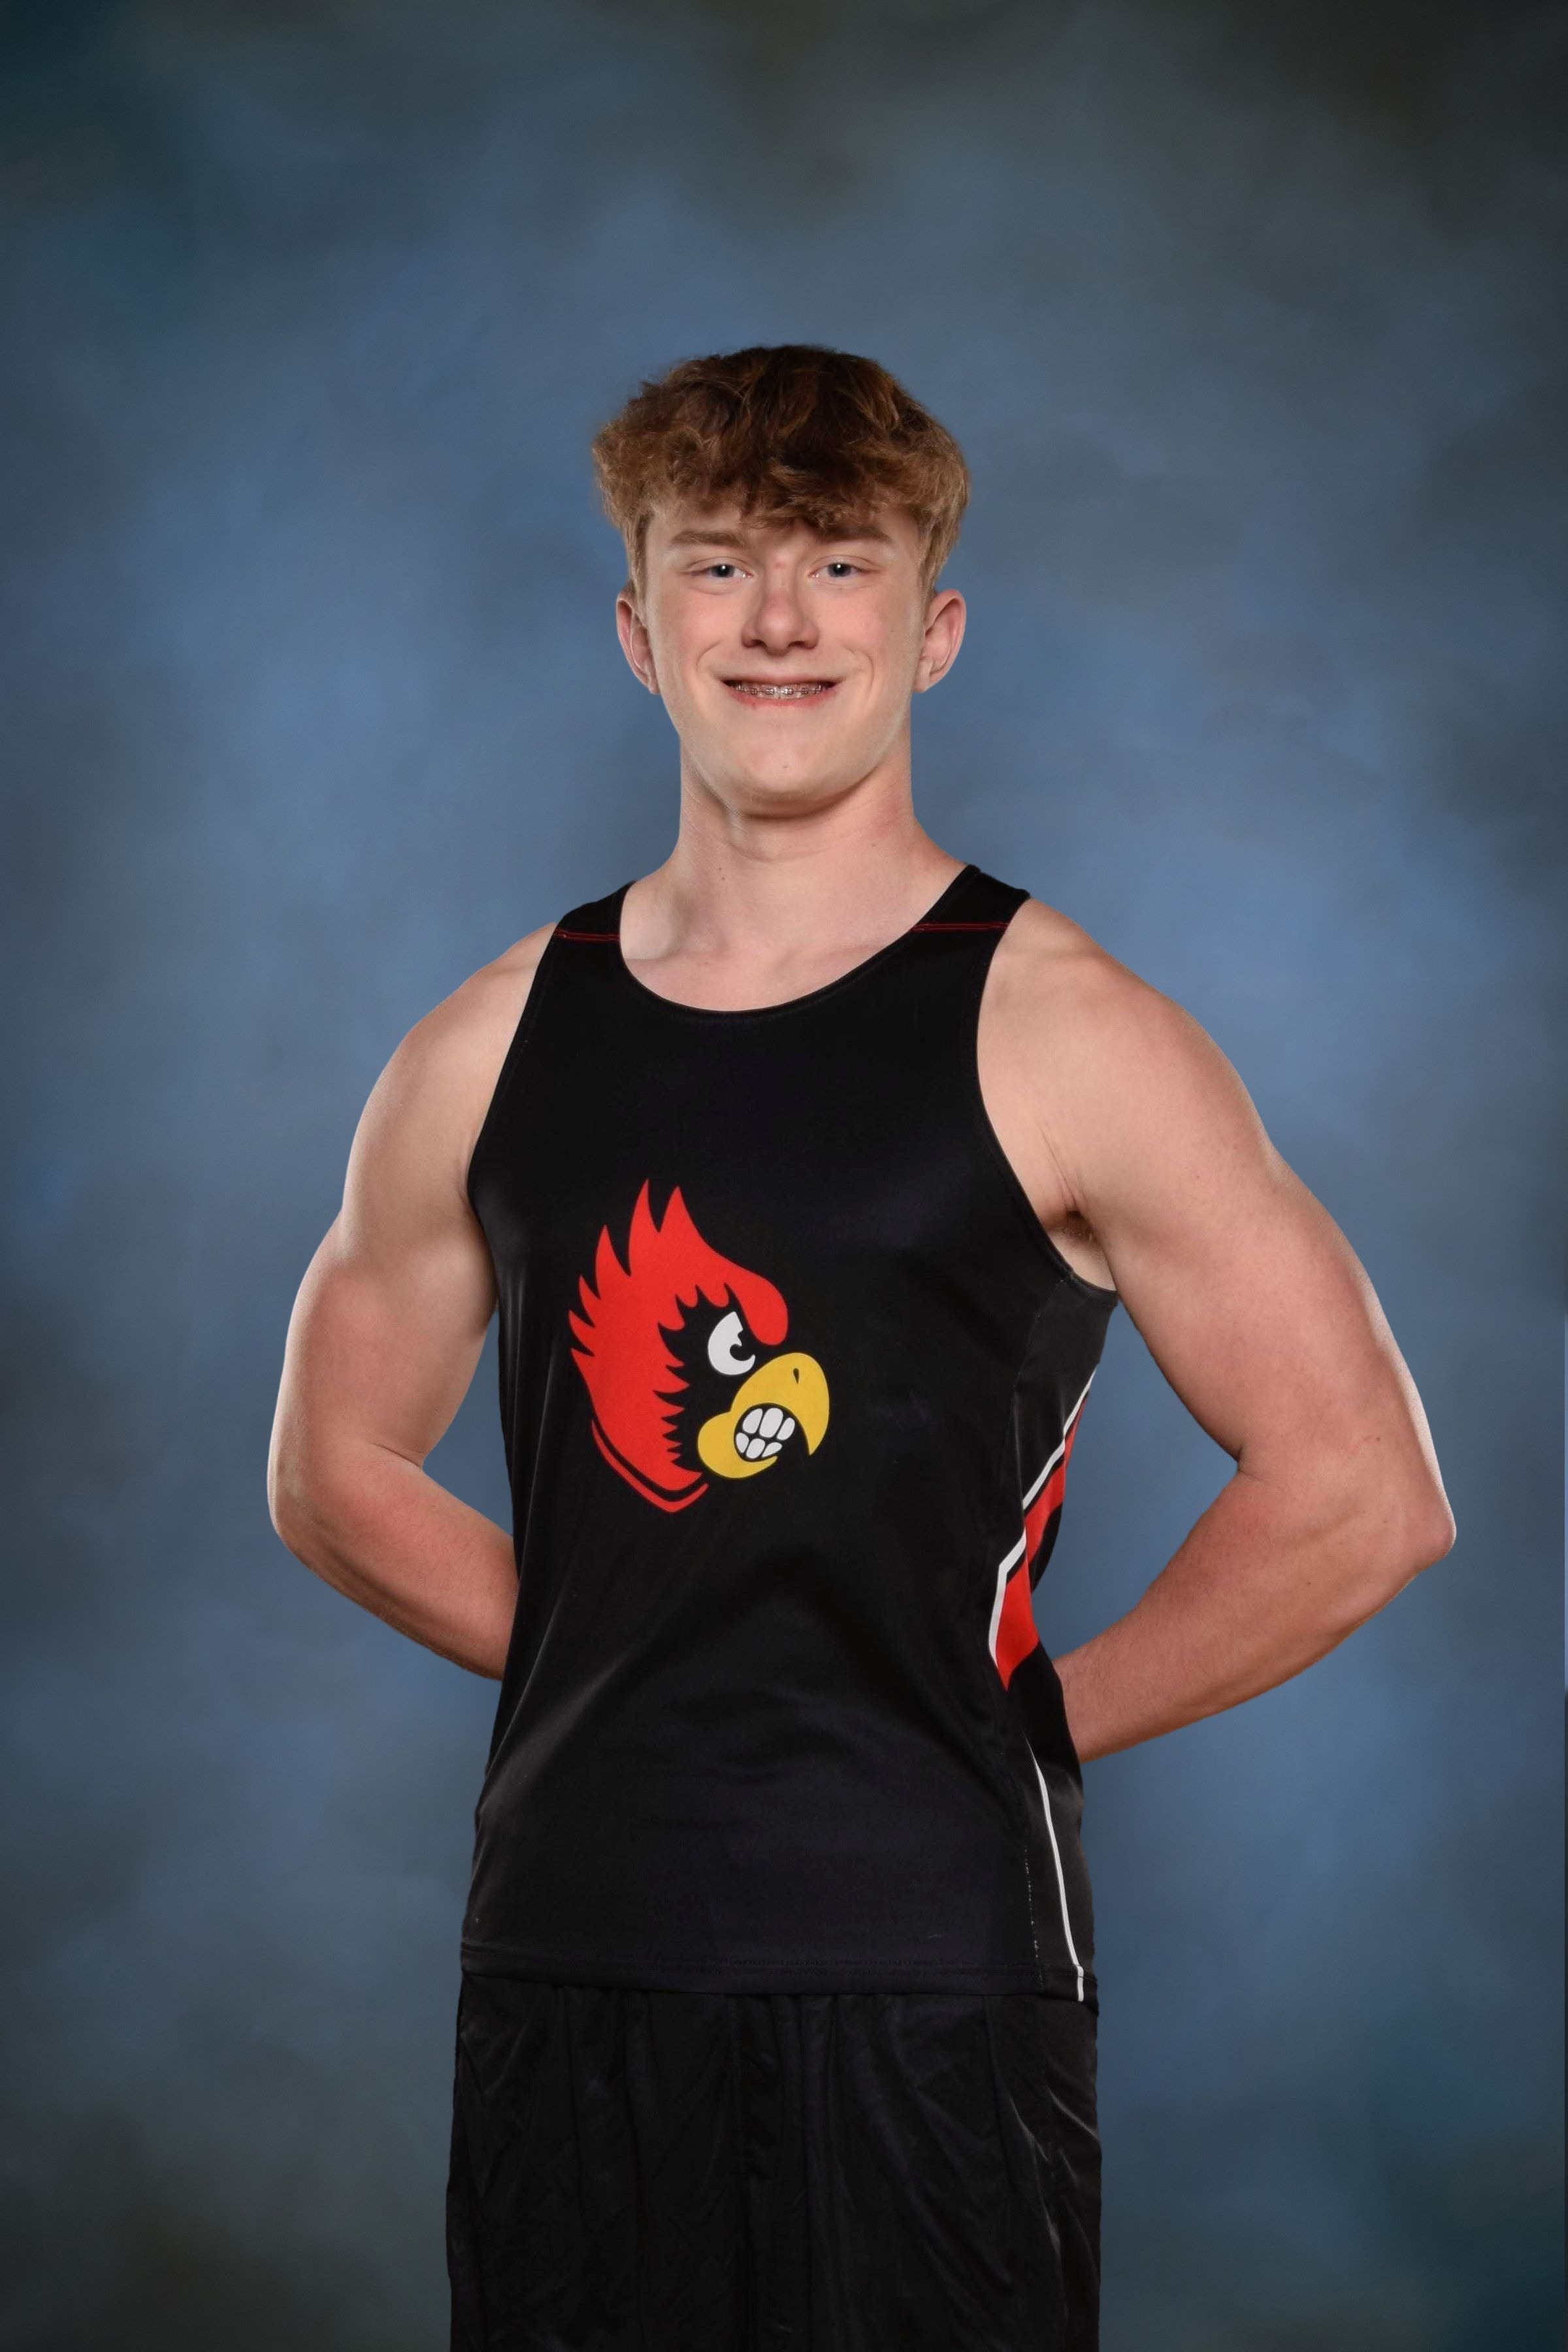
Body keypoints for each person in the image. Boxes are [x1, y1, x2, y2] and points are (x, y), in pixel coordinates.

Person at [267, 344, 1454, 2351]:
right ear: (639, 628)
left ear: (935, 627)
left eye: (839, 563)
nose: (781, 621)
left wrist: (1029, 1721)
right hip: (575, 1960)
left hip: (933, 1977)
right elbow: (333, 1468)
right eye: (721, 565)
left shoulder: (1073, 1030)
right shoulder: (488, 1040)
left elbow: (1362, 1490)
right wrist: (628, 1653)